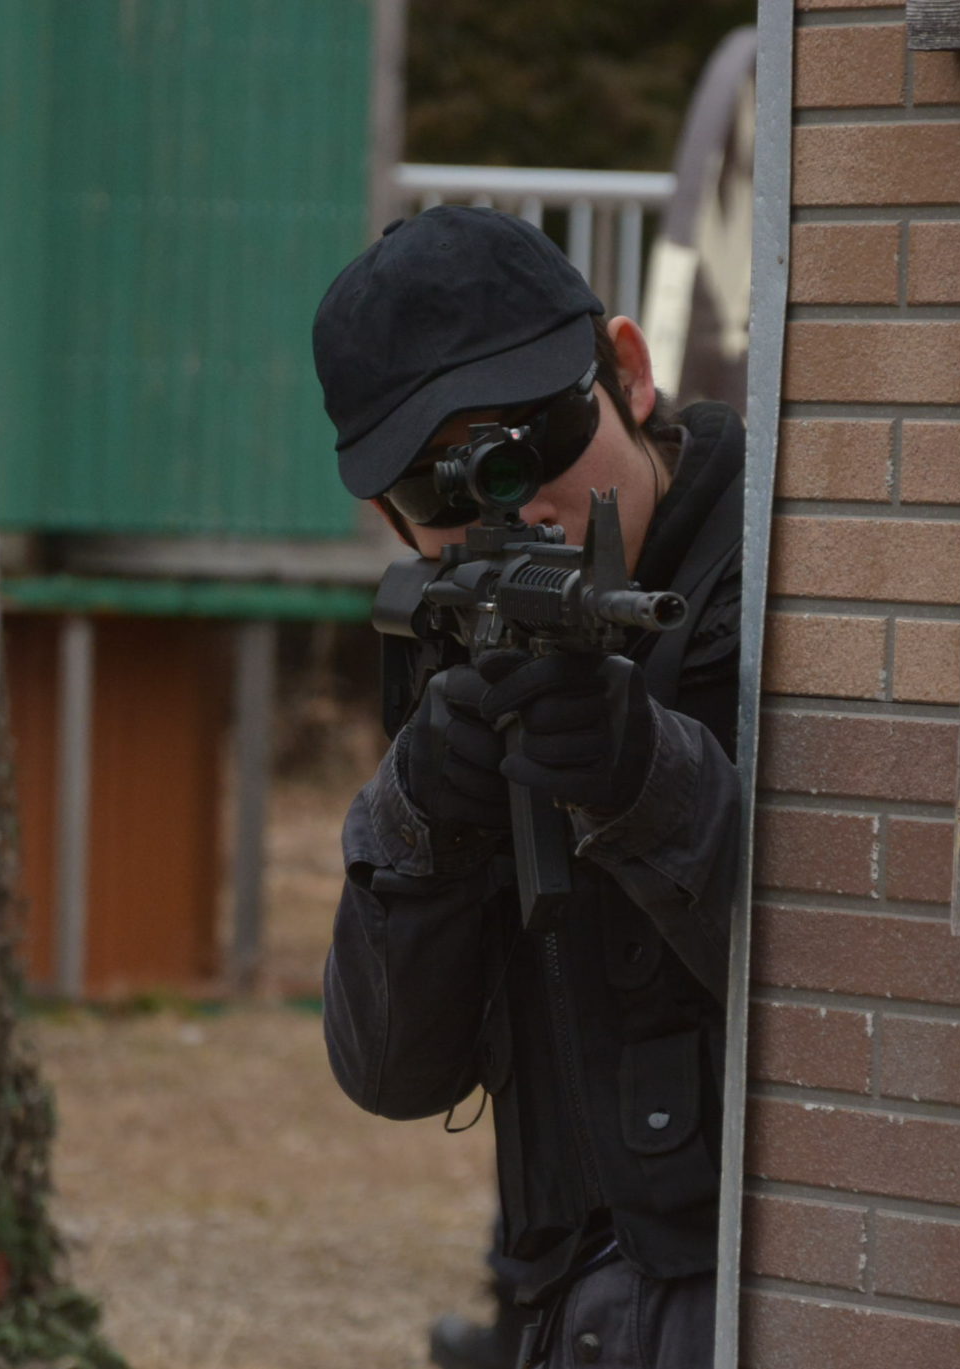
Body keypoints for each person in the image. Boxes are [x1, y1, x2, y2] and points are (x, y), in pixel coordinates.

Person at [311, 205, 743, 1369]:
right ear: (389, 516)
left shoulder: (795, 579)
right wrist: (423, 819)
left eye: (536, 437)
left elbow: (854, 975)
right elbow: (391, 1069)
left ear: (629, 373)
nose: (515, 506)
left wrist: (646, 780)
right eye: (441, 488)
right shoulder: (455, 650)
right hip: (569, 1308)